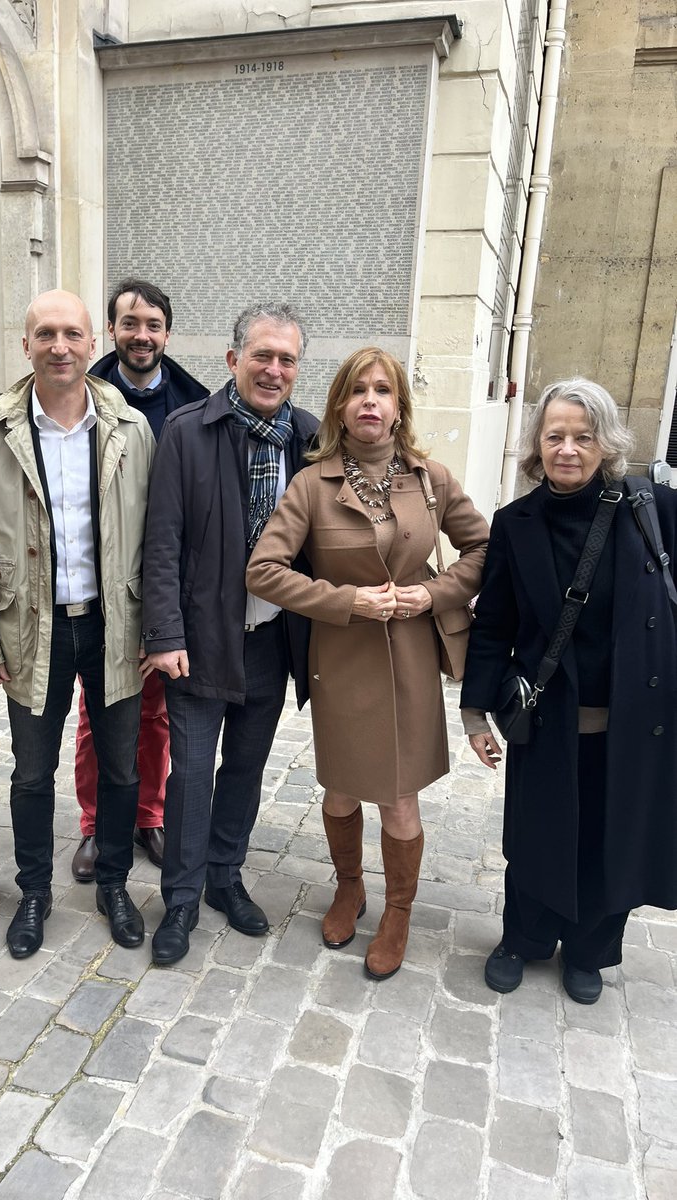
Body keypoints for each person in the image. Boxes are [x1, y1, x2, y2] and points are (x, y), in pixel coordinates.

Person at [247, 347, 488, 980]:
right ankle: (349, 887)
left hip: (410, 656)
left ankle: (399, 913)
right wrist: (345, 601)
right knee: (343, 786)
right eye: (358, 391)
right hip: (343, 659)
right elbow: (264, 571)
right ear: (340, 408)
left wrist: (433, 593)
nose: (371, 401)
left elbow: (485, 548)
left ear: (399, 406)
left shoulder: (431, 478)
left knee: (401, 798)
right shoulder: (311, 484)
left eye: (383, 390)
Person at [0, 289, 155, 958]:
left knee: (122, 769)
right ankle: (33, 891)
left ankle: (114, 883)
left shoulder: (129, 428)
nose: (59, 346)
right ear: (26, 345)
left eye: (72, 333)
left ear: (93, 343)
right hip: (29, 631)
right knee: (32, 772)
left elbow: (158, 538)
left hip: (112, 628)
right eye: (46, 334)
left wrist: (158, 630)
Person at [461, 378, 677, 1004]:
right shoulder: (515, 523)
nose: (568, 449)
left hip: (637, 720)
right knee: (536, 834)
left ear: (605, 444)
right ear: (537, 445)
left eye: (583, 437)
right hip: (548, 714)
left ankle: (589, 951)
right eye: (555, 435)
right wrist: (477, 712)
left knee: (614, 842)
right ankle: (523, 940)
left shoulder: (651, 510)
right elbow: (494, 622)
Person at [142, 302, 319, 966]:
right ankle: (181, 898)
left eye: (286, 359)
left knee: (245, 768)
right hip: (200, 638)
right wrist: (163, 635)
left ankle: (224, 877)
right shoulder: (187, 433)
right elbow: (160, 546)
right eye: (262, 356)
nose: (273, 370)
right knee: (190, 775)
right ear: (233, 359)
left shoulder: (310, 439)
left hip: (272, 641)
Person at [71, 279, 208, 883]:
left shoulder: (194, 403)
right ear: (112, 331)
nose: (142, 335)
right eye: (130, 323)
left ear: (167, 334)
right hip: (97, 585)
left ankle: (148, 813)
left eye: (153, 324)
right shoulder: (82, 396)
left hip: (161, 588)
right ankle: (96, 824)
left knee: (153, 712)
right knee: (94, 712)